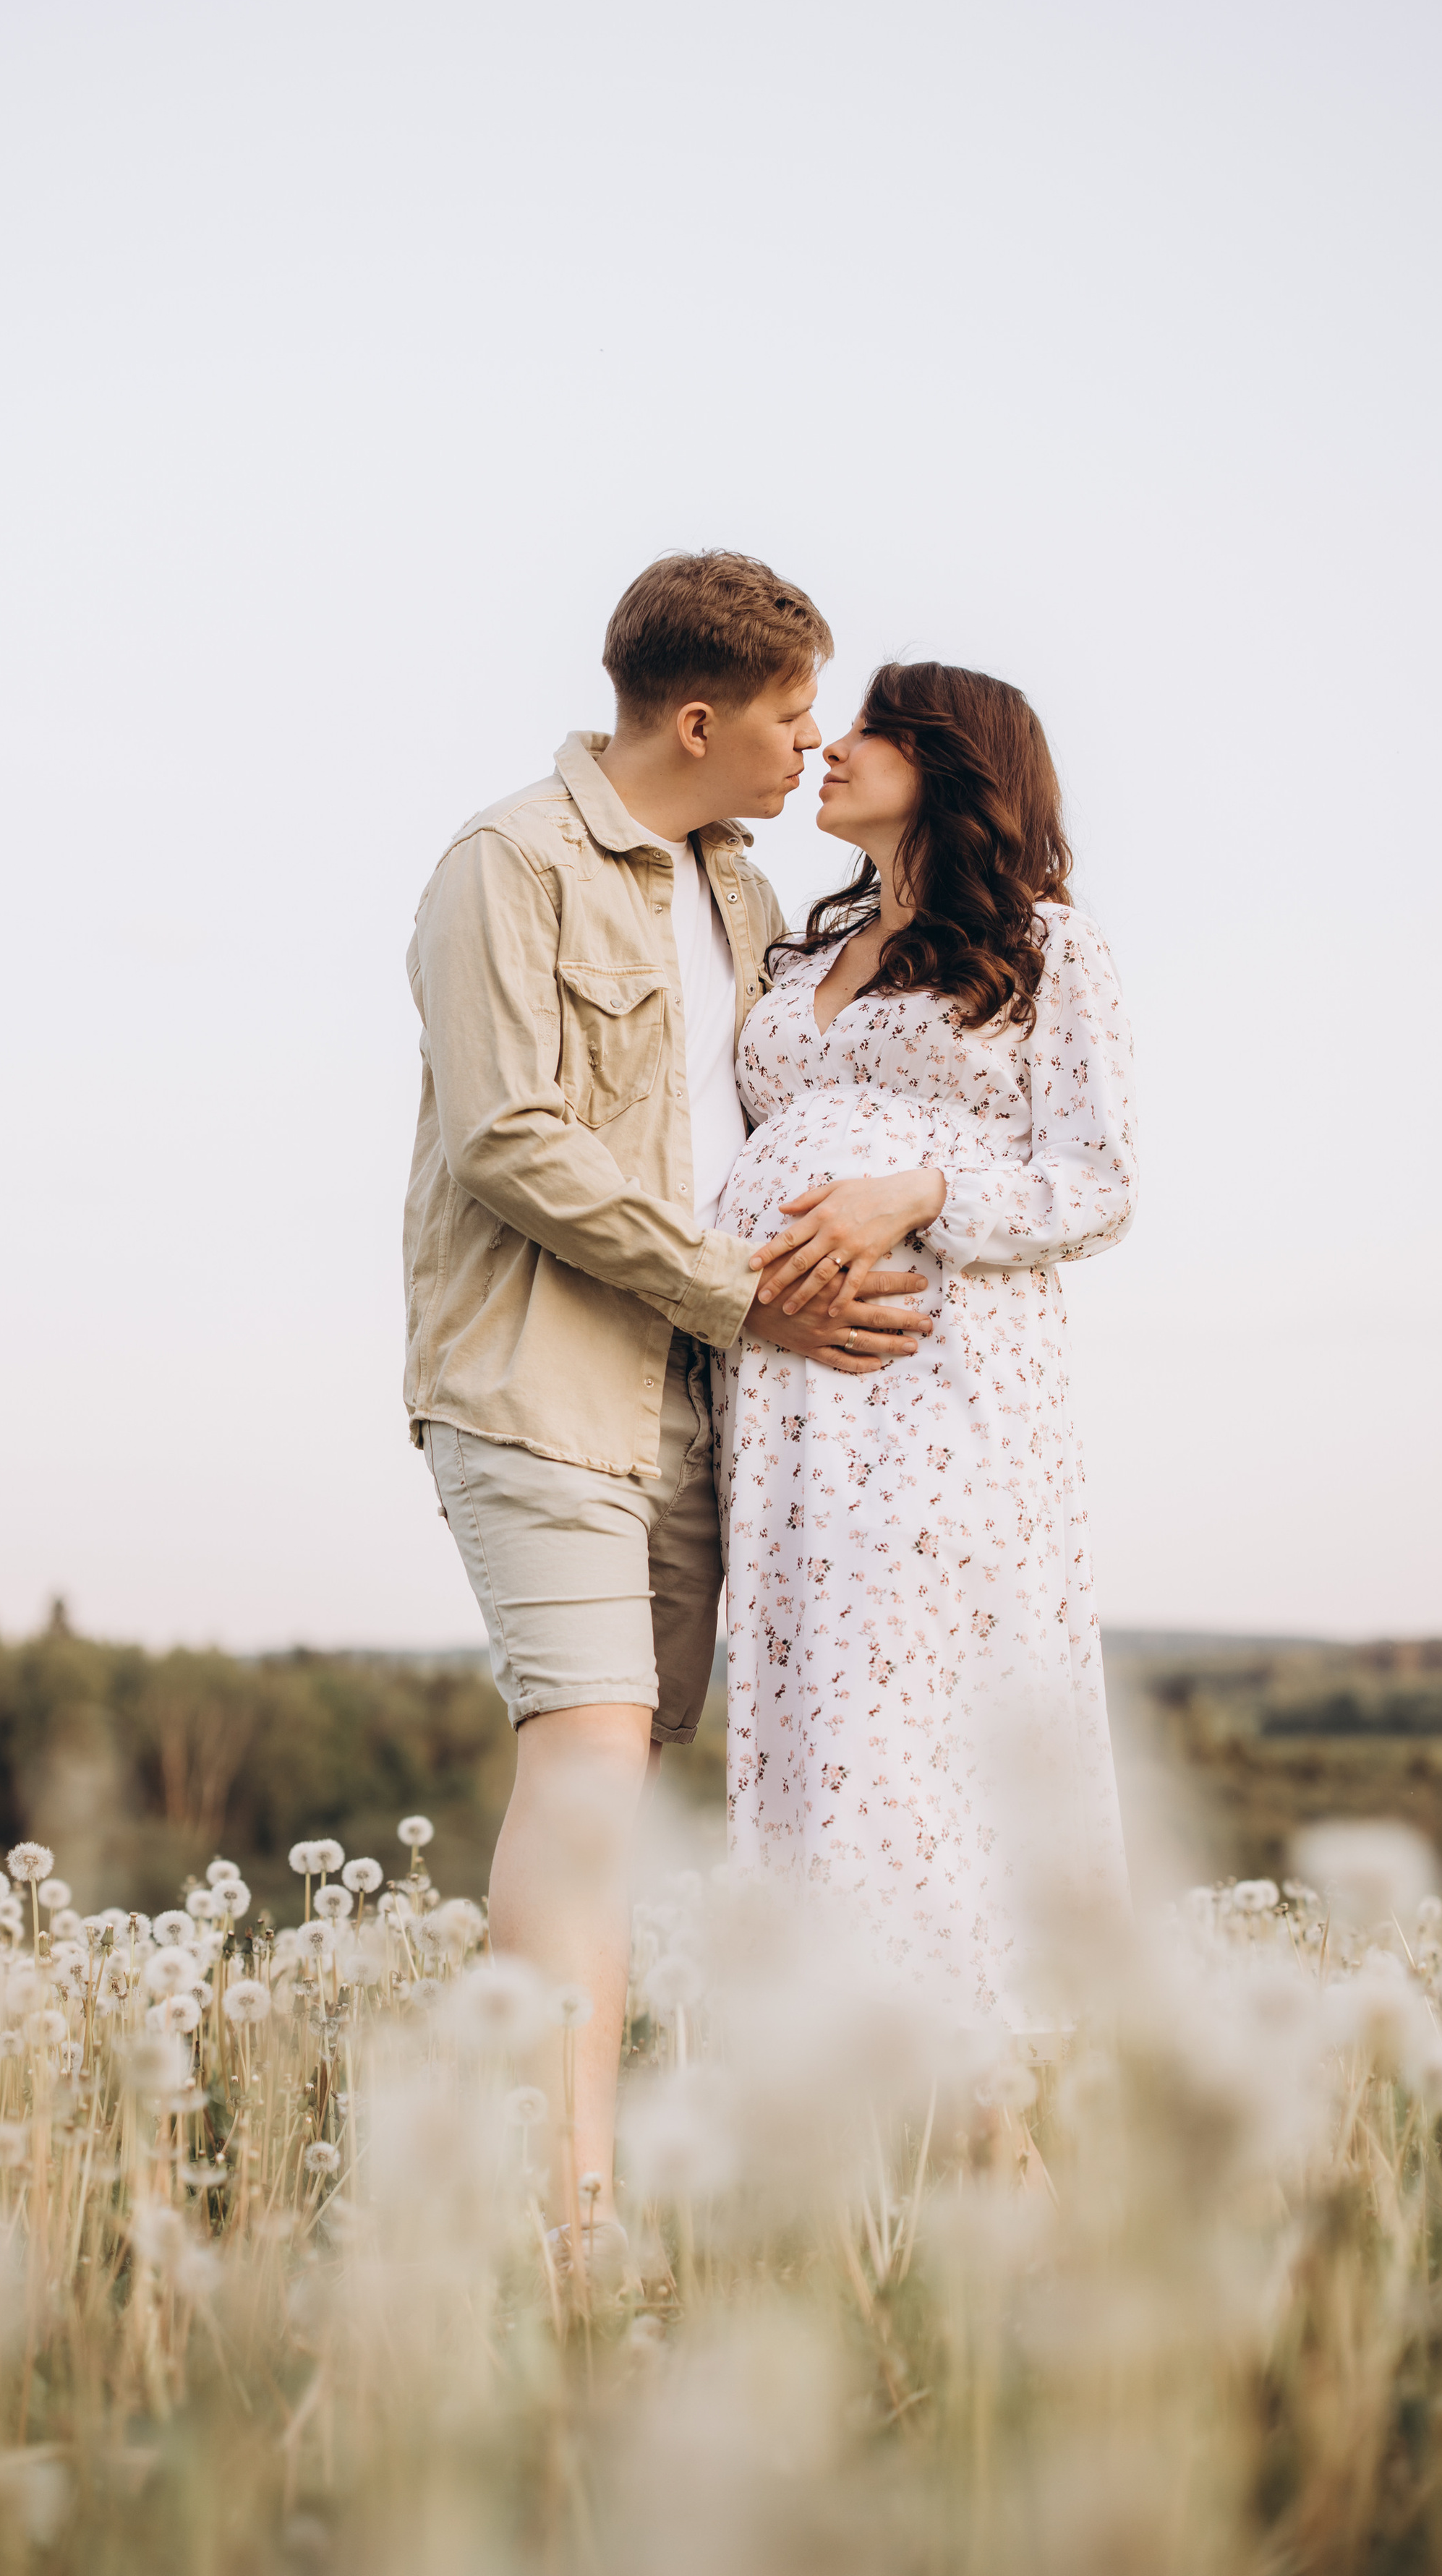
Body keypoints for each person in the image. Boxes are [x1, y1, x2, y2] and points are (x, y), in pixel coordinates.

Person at [401, 555, 939, 2230]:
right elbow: (509, 1143)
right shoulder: (506, 864)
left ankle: (576, 2181)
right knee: (579, 1769)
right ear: (698, 719)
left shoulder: (743, 898)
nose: (808, 748)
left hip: (704, 1407)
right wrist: (746, 1300)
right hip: (535, 1384)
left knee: (616, 1796)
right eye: (788, 718)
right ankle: (563, 2226)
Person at [714, 660, 1135, 2024]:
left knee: (918, 1723)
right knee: (814, 1719)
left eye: (877, 728)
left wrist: (922, 1193)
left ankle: (987, 2120)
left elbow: (1098, 1182)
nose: (831, 745)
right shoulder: (798, 950)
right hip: (784, 1399)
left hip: (942, 1388)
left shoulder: (1050, 948)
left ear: (954, 764)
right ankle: (844, 2129)